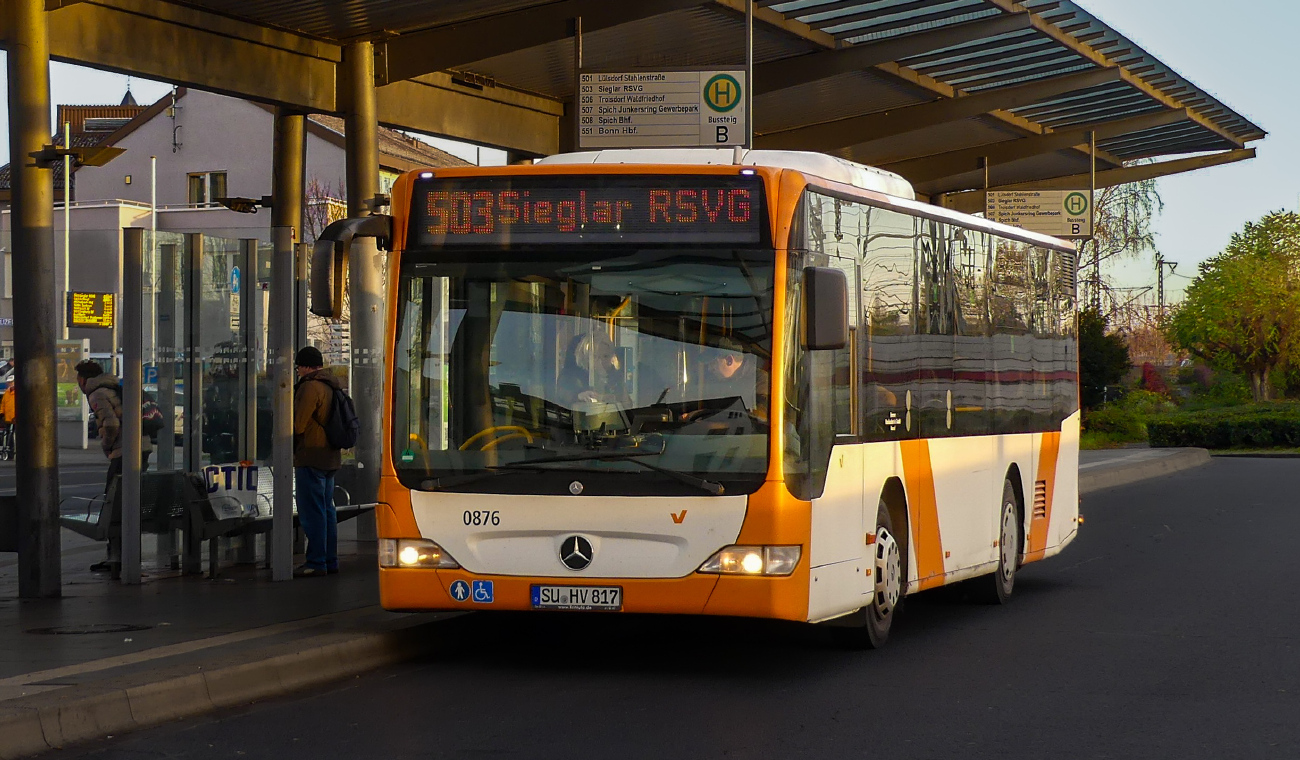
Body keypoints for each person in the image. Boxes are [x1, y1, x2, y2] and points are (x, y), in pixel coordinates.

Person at [76, 359, 152, 573]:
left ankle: (117, 557)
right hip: (142, 447)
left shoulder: (97, 393)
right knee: (127, 501)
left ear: (83, 379)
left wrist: (106, 445)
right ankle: (124, 553)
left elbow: (110, 424)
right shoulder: (114, 386)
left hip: (123, 452)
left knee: (113, 503)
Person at [293, 346, 342, 578]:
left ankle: (316, 561)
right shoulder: (331, 385)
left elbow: (298, 424)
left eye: (298, 366)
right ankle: (330, 560)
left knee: (313, 512)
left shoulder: (310, 387)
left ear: (304, 366)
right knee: (327, 510)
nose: (298, 371)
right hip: (330, 456)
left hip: (311, 456)